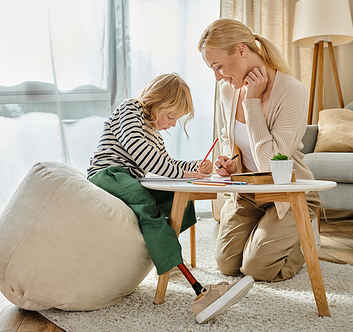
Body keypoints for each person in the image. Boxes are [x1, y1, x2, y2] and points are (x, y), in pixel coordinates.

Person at [87, 73, 254, 324]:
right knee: (147, 207)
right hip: (109, 173)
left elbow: (166, 163)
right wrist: (181, 173)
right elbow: (139, 151)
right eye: (171, 117)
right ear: (157, 102)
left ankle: (169, 256)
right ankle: (195, 287)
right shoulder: (130, 109)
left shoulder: (154, 132)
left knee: (180, 199)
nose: (173, 124)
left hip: (131, 180)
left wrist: (195, 166)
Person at [198, 19, 322, 282]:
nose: (218, 76)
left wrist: (252, 101)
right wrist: (229, 163)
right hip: (248, 193)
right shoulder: (227, 91)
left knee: (256, 268)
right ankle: (266, 236)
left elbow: (269, 163)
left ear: (241, 50)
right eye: (212, 69)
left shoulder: (291, 91)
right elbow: (230, 144)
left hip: (288, 194)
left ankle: (305, 240)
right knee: (226, 264)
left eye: (218, 66)